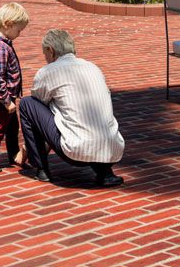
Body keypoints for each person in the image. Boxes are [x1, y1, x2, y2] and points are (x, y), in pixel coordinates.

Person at [18, 27, 125, 186]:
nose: (45, 58)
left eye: (44, 54)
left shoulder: (48, 71)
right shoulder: (93, 67)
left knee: (27, 104)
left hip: (75, 151)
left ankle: (41, 169)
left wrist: (27, 148)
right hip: (112, 149)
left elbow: (39, 104)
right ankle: (105, 173)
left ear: (51, 50)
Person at [0, 2, 28, 174]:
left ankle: (13, 154)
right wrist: (6, 101)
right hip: (3, 98)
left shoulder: (0, 43)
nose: (19, 34)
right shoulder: (1, 48)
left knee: (12, 127)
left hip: (6, 97)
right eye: (19, 30)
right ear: (9, 24)